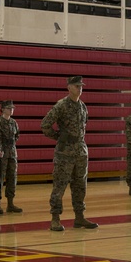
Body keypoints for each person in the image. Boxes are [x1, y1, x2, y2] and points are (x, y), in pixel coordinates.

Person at [42, 76, 98, 230]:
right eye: (76, 86)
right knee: (60, 185)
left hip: (80, 151)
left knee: (80, 186)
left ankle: (79, 217)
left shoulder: (83, 107)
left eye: (81, 86)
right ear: (69, 87)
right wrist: (59, 138)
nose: (80, 88)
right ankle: (55, 218)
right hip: (65, 153)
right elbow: (45, 124)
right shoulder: (61, 105)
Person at [0, 100, 23, 213]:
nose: (11, 110)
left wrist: (11, 146)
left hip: (12, 153)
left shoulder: (14, 122)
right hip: (1, 153)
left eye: (12, 108)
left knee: (12, 177)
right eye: (9, 108)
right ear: (3, 109)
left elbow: (17, 136)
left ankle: (10, 203)